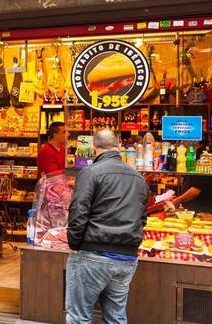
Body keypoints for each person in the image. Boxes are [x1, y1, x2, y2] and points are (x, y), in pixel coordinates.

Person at [66, 129, 149, 324]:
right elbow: (142, 218)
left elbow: (78, 211)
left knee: (79, 316)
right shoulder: (138, 177)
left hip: (93, 254)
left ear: (94, 148)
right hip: (127, 257)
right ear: (119, 146)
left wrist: (74, 243)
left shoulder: (90, 172)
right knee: (116, 318)